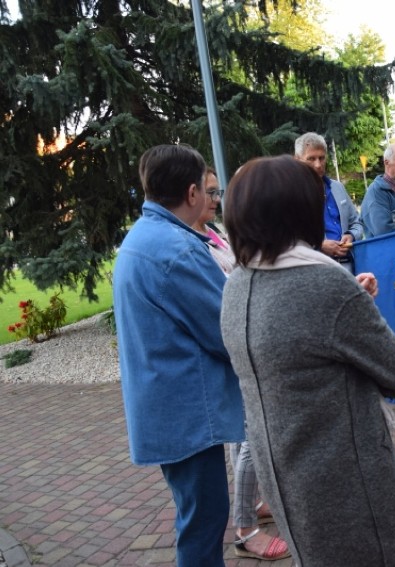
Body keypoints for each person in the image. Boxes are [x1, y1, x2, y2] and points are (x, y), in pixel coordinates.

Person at [219, 155, 395, 567]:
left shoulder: (238, 281)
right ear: (299, 211)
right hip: (341, 476)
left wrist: (350, 304)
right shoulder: (322, 281)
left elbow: (300, 344)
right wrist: (354, 306)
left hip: (284, 471)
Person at [113, 144, 244, 566]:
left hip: (168, 409)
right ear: (192, 193)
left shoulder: (143, 237)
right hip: (187, 415)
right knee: (204, 527)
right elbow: (227, 329)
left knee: (197, 520)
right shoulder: (178, 248)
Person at [189, 168, 289, 561]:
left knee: (240, 437)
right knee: (250, 438)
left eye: (219, 192)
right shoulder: (193, 246)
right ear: (191, 193)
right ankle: (245, 527)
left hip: (238, 345)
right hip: (235, 347)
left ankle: (254, 502)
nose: (216, 200)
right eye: (211, 192)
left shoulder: (211, 234)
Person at [293, 132, 364, 273]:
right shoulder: (291, 194)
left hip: (351, 265)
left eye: (321, 158)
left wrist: (351, 235)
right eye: (311, 159)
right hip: (316, 270)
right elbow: (287, 239)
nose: (318, 165)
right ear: (298, 160)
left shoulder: (337, 188)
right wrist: (319, 245)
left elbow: (358, 222)